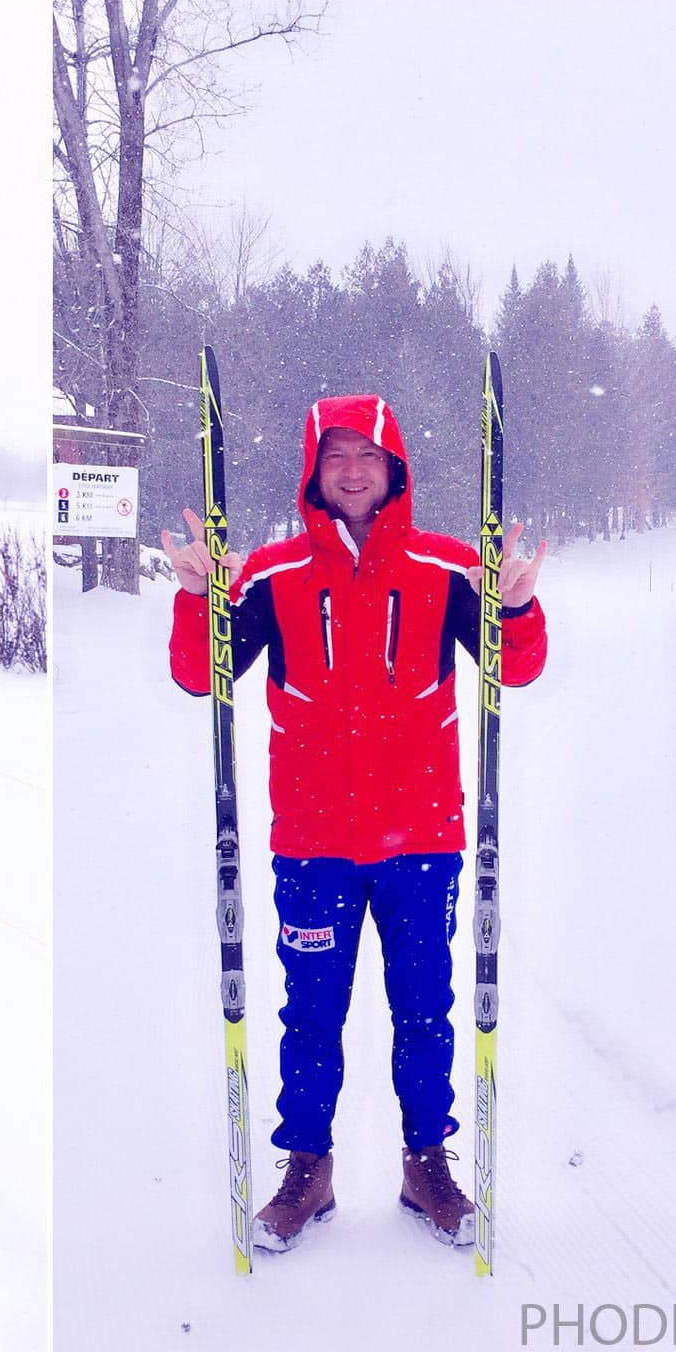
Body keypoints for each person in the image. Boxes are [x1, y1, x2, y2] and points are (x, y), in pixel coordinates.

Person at [162, 394, 547, 1253]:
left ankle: (425, 1164)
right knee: (311, 1014)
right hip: (313, 844)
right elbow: (201, 676)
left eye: (367, 454)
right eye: (335, 455)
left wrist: (515, 606)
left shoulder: (447, 568)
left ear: (394, 467)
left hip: (423, 842)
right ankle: (308, 1169)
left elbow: (513, 671)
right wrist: (198, 599)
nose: (352, 469)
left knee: (424, 1010)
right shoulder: (271, 574)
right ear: (313, 470)